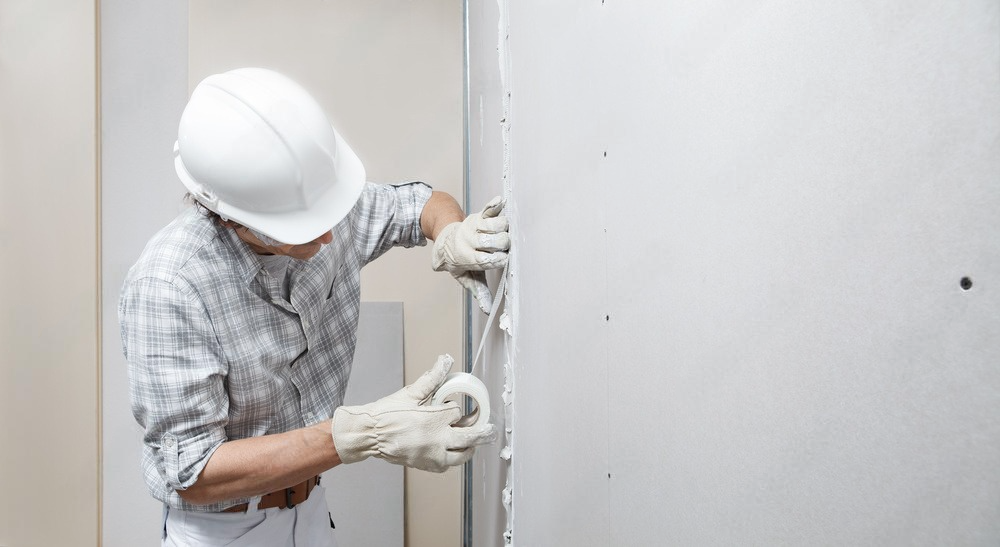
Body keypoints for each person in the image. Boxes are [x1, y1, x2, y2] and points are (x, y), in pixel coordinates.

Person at [118, 67, 508, 546]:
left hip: (310, 510)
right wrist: (359, 434)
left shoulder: (319, 204)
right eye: (303, 227)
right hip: (223, 532)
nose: (328, 236)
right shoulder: (170, 286)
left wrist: (451, 231)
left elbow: (420, 204)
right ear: (231, 216)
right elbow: (193, 471)